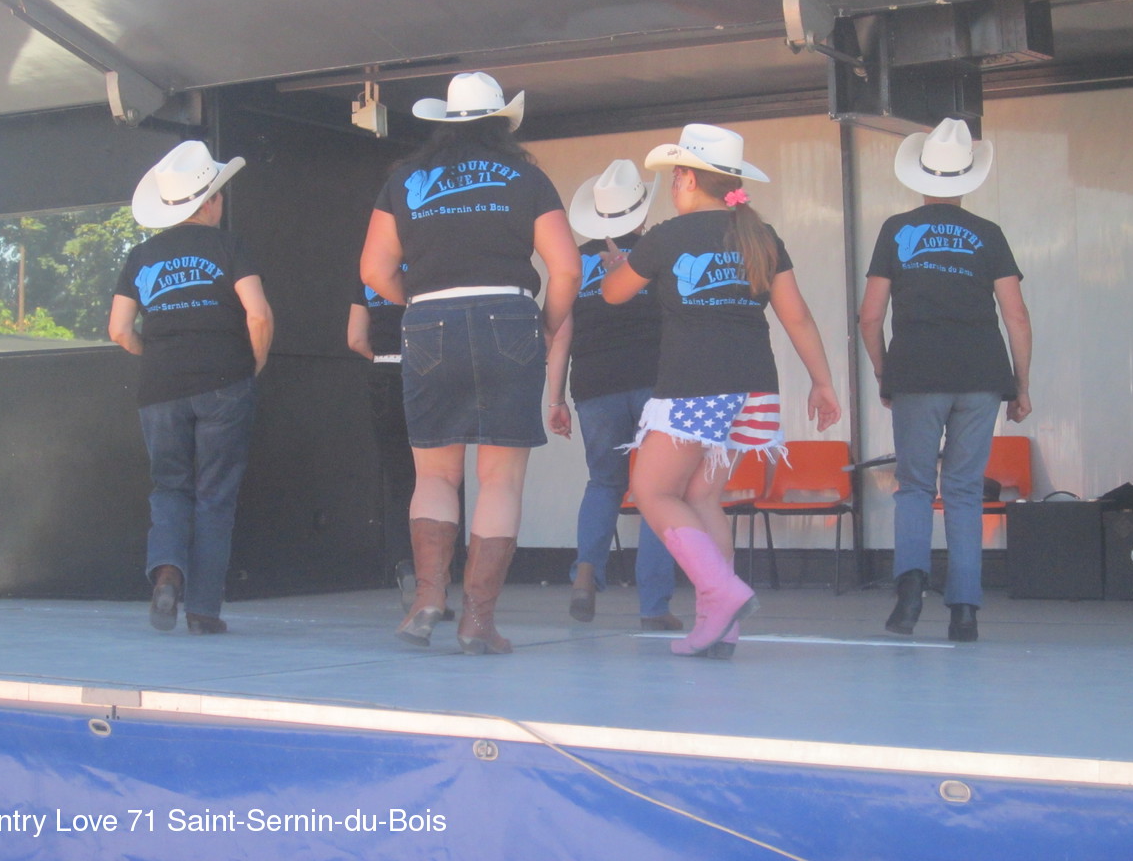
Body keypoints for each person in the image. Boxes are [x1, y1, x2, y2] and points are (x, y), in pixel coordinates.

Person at [360, 71, 581, 655]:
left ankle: (427, 598)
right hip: (508, 315)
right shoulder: (527, 178)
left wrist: (422, 301)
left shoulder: (404, 180)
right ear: (502, 125)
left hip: (429, 321)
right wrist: (547, 324)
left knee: (434, 475)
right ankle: (478, 622)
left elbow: (373, 270)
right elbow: (566, 269)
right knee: (500, 479)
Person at [603, 124, 840, 659]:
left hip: (694, 385)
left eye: (674, 177)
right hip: (753, 387)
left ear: (688, 179)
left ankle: (721, 590)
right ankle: (721, 628)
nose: (672, 186)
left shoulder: (667, 236)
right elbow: (797, 317)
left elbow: (614, 294)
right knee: (704, 496)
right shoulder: (761, 235)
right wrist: (823, 382)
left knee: (652, 491)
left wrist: (618, 266)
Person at [859, 117, 1032, 643]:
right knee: (963, 490)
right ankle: (965, 612)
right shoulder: (989, 233)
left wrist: (885, 372)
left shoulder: (896, 229)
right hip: (981, 374)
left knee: (914, 486)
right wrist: (1021, 385)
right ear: (967, 178)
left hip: (917, 371)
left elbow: (870, 316)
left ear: (920, 175)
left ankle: (910, 596)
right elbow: (1016, 315)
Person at [109, 140, 274, 635]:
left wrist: (155, 354)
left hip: (160, 388)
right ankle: (203, 611)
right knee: (215, 495)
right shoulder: (229, 246)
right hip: (225, 381)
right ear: (211, 201)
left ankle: (167, 573)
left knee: (170, 486)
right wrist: (253, 362)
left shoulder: (141, 256)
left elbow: (118, 329)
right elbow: (258, 315)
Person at [546, 160, 682, 631]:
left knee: (604, 482)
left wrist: (555, 399)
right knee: (658, 491)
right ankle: (655, 606)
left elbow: (560, 333)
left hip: (594, 385)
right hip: (655, 382)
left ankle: (586, 572)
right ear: (641, 209)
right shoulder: (658, 251)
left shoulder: (575, 262)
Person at [346, 274, 454, 620]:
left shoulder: (367, 276)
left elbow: (355, 339)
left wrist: (382, 358)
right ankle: (435, 583)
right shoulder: (427, 265)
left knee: (399, 483)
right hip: (428, 372)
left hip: (383, 374)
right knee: (438, 481)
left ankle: (405, 567)